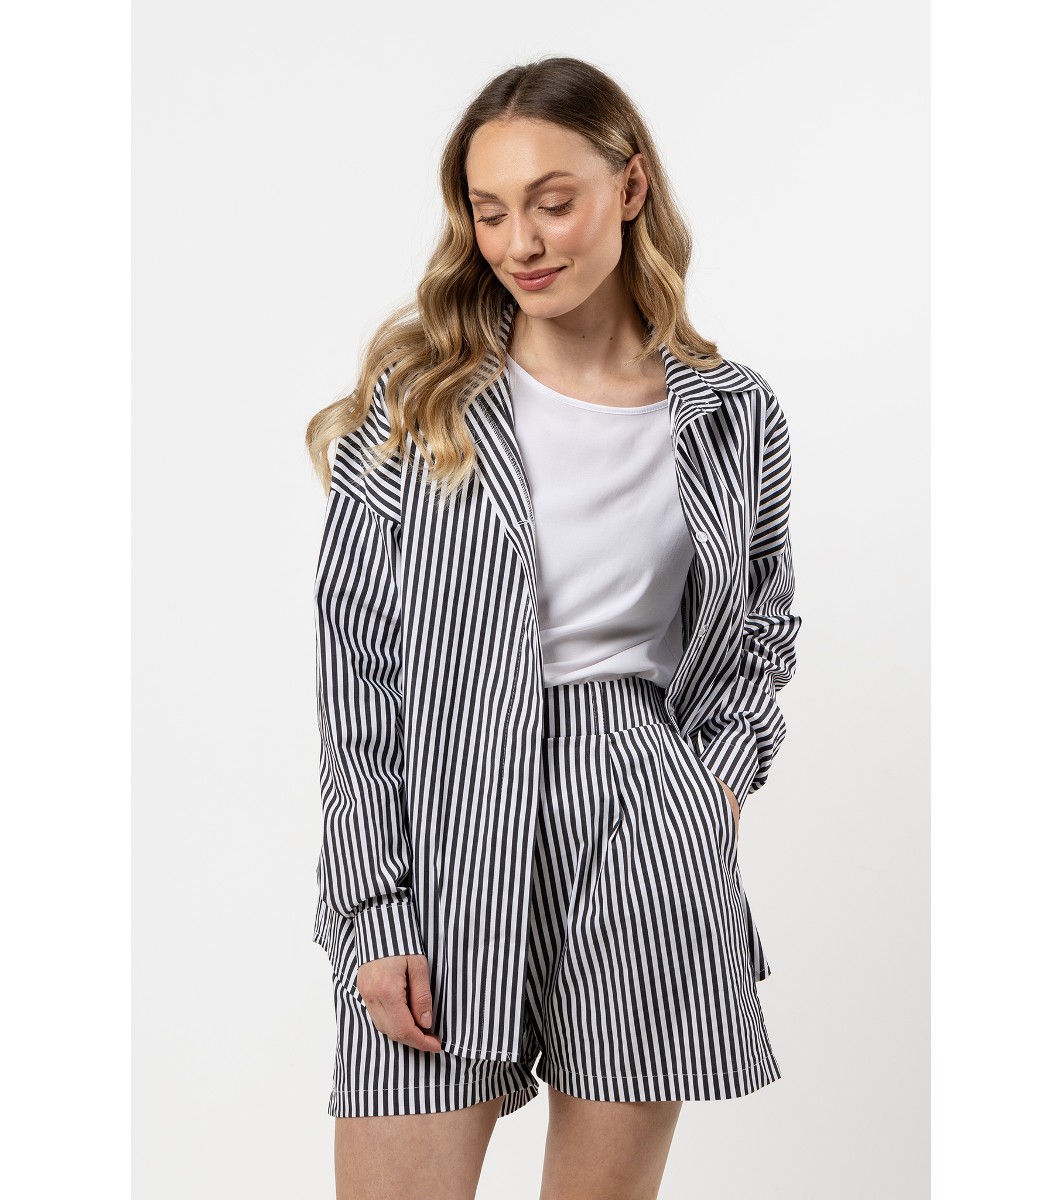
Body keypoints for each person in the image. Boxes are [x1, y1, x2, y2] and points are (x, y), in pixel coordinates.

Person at [305, 55, 802, 1200]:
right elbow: (356, 674)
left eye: (552, 201)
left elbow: (761, 632)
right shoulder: (422, 402)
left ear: (630, 187)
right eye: (489, 212)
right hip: (446, 821)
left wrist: (714, 789)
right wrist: (371, 905)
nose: (519, 242)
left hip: (643, 812)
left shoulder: (733, 415)